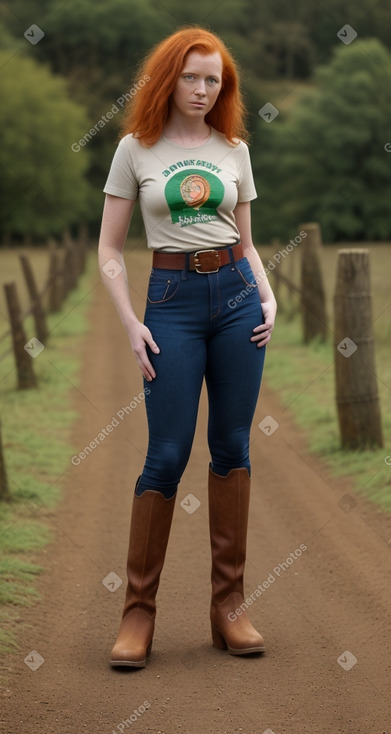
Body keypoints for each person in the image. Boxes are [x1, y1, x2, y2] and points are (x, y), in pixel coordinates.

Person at [98, 25, 277, 668]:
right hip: (170, 302)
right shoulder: (134, 149)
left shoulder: (233, 148)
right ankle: (137, 615)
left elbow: (249, 241)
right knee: (167, 452)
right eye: (191, 76)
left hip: (235, 297)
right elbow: (111, 249)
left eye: (214, 80)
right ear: (168, 78)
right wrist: (129, 322)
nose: (203, 90)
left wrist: (268, 295)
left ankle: (228, 608)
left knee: (231, 445)